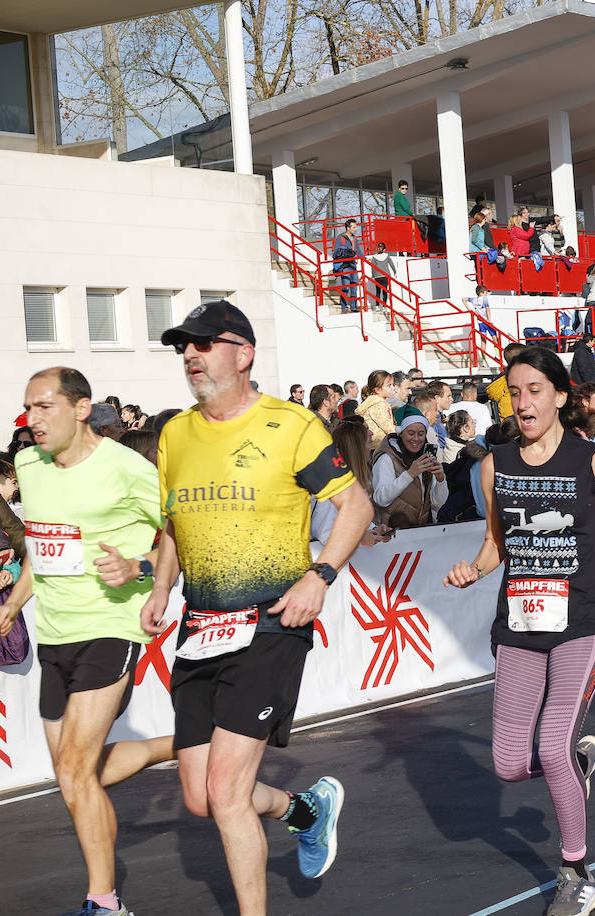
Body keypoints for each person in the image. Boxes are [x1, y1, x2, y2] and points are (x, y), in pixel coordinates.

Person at [144, 301, 374, 912]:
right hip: (200, 625)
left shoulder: (291, 424)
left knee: (224, 791)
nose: (190, 355)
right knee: (199, 796)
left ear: (243, 354)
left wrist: (320, 575)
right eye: (182, 346)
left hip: (273, 621)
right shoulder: (174, 434)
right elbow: (172, 526)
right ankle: (306, 808)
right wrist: (162, 587)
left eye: (203, 343)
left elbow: (356, 508)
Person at [443, 346, 595, 916]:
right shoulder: (493, 464)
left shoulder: (594, 460)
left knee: (550, 743)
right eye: (515, 391)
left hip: (581, 622)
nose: (524, 402)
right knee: (508, 763)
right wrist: (471, 570)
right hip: (520, 625)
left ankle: (577, 870)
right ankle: (575, 766)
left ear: (559, 396)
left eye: (535, 390)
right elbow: (494, 546)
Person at [0, 367, 171, 916]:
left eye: (45, 407)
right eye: (28, 408)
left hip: (110, 630)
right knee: (77, 780)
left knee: (72, 770)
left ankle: (104, 903)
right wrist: (16, 602)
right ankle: (182, 746)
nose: (32, 420)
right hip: (54, 634)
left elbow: (182, 538)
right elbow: (43, 547)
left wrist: (139, 565)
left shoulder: (128, 469)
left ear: (82, 408)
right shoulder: (27, 465)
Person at [372, 415, 448, 528]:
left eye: (421, 434)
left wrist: (441, 480)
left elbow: (437, 503)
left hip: (418, 531)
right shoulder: (387, 458)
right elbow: (380, 499)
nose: (416, 438)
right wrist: (410, 474)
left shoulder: (425, 458)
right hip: (390, 533)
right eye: (411, 433)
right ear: (401, 434)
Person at [356, 369, 399, 447]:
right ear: (377, 390)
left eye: (392, 384)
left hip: (372, 444)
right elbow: (388, 428)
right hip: (378, 445)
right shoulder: (378, 404)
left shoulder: (372, 402)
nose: (393, 388)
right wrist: (402, 431)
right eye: (389, 385)